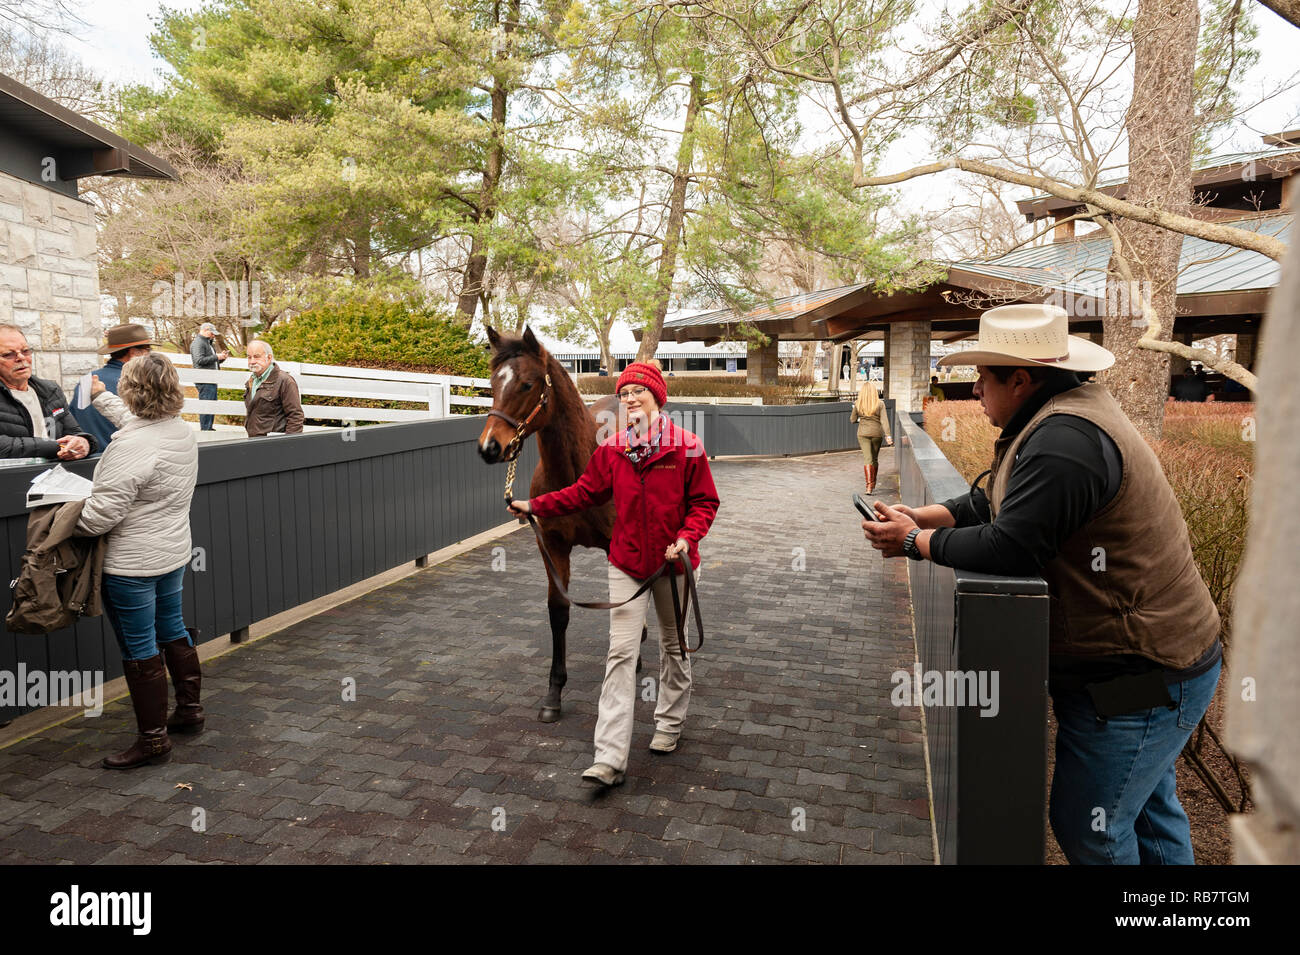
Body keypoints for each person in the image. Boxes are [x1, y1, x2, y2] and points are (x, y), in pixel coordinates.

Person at [862, 304, 1222, 865]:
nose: (975, 389)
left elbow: (1012, 545)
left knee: (1092, 827)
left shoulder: (1064, 441)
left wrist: (914, 542)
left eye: (984, 377)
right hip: (1155, 662)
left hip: (1141, 672)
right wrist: (924, 516)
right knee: (1148, 813)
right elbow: (999, 502)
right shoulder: (1059, 415)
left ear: (1020, 380)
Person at [506, 362, 720, 787]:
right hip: (626, 563)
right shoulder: (613, 449)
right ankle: (609, 758)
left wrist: (686, 537)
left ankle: (669, 723)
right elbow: (583, 493)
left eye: (639, 391)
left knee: (674, 647)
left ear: (657, 398)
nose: (630, 399)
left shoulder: (687, 447)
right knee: (620, 653)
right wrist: (536, 506)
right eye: (624, 393)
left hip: (673, 563)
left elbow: (704, 502)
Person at [77, 353, 202, 770]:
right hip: (171, 554)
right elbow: (139, 424)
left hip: (131, 566)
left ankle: (153, 741)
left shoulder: (131, 446)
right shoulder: (179, 430)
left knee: (140, 648)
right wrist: (100, 397)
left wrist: (61, 519)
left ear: (131, 391)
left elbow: (100, 516)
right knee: (172, 629)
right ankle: (190, 712)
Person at [0, 325, 97, 460]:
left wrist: (85, 443)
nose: (21, 358)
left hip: (57, 471)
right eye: (8, 354)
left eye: (25, 351)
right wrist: (55, 446)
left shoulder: (50, 391)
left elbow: (74, 433)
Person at [71, 324, 155, 450]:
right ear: (134, 353)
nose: (150, 355)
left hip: (86, 454)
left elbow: (74, 421)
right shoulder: (138, 384)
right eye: (148, 350)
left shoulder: (87, 380)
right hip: (124, 456)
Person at [243, 340, 304, 437]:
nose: (252, 361)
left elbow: (295, 416)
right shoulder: (252, 381)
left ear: (269, 357)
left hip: (274, 441)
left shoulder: (285, 381)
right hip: (254, 440)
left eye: (257, 356)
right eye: (249, 357)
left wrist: (289, 443)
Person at [850, 380, 891, 494]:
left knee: (868, 459)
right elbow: (884, 421)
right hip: (877, 434)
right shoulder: (880, 404)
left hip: (863, 434)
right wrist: (888, 435)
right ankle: (873, 483)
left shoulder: (858, 403)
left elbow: (852, 420)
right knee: (874, 459)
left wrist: (861, 419)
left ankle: (868, 486)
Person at [190, 322, 228, 431]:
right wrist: (216, 357)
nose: (213, 335)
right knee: (206, 405)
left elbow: (212, 362)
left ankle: (209, 428)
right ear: (205, 330)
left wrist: (221, 358)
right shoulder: (198, 343)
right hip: (204, 379)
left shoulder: (208, 343)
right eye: (212, 333)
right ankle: (205, 429)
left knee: (211, 404)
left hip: (211, 379)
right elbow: (199, 360)